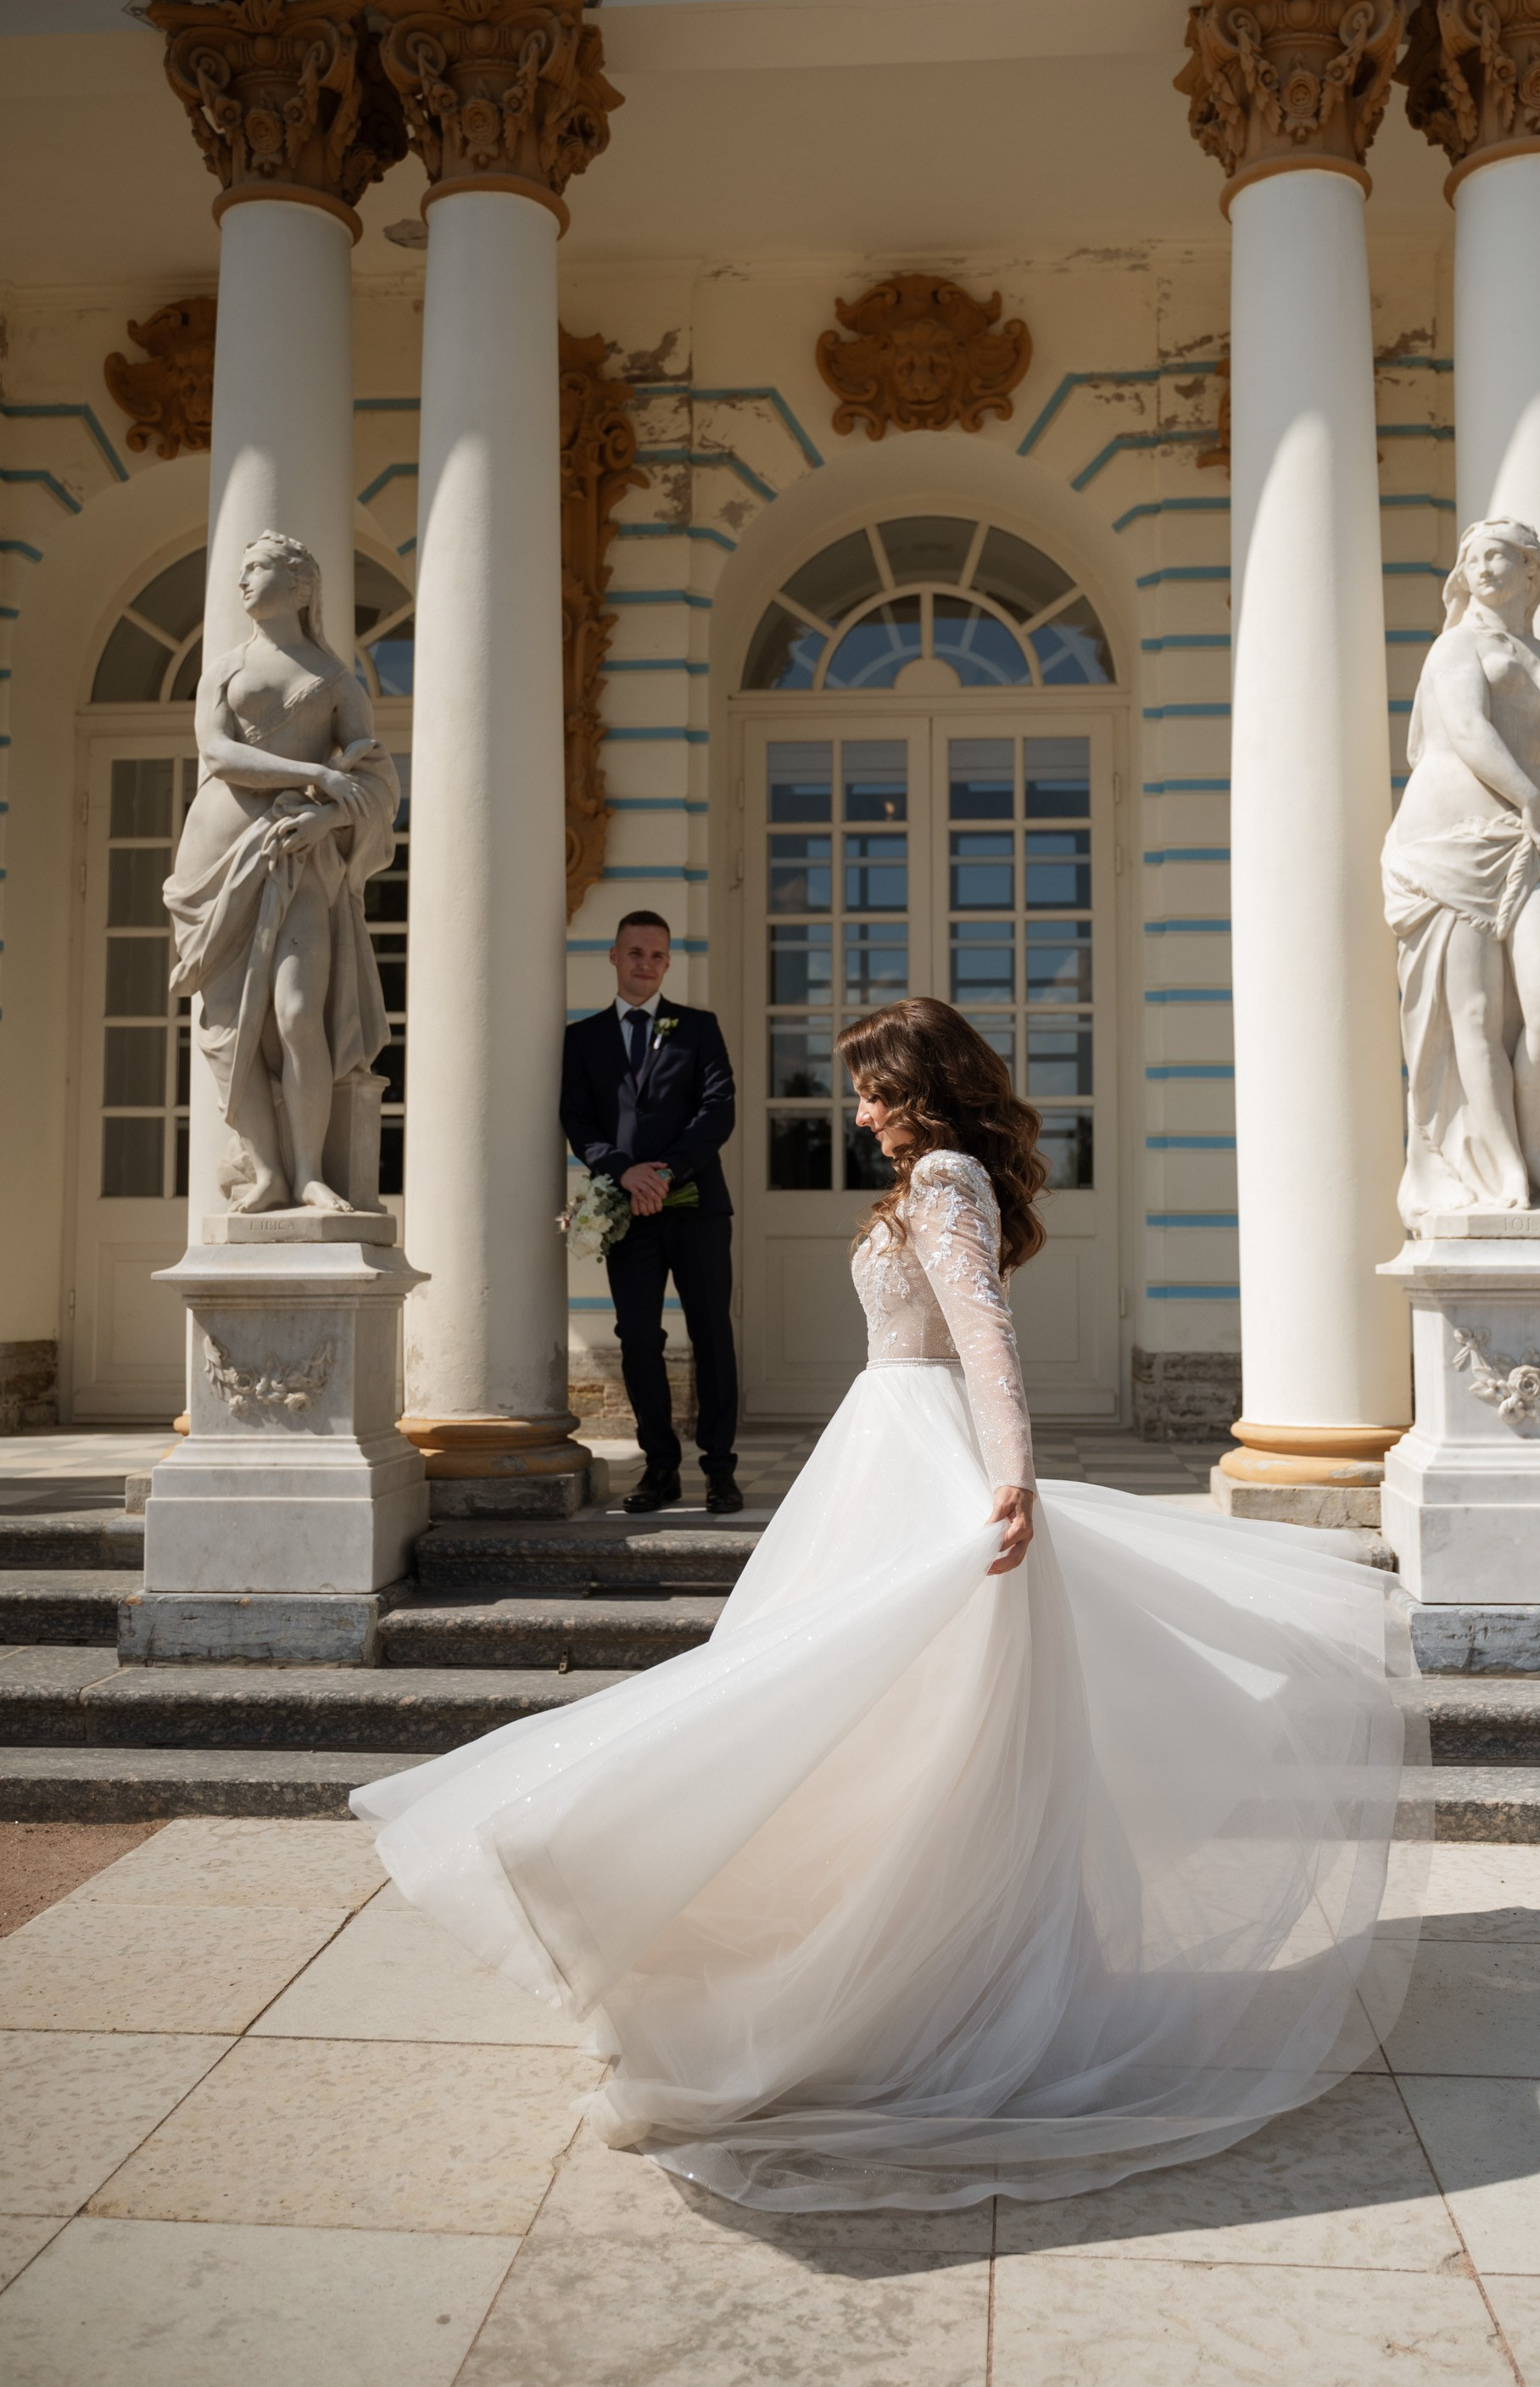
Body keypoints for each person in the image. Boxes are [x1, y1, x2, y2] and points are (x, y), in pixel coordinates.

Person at [354, 998, 1423, 2215]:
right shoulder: (931, 1177)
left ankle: (913, 1998)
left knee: (889, 1727)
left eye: (871, 1090)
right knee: (828, 1716)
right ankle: (830, 1972)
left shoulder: (948, 1177)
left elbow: (986, 1338)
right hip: (882, 1448)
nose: (854, 1112)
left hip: (932, 1460)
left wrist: (1010, 1478)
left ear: (921, 1087)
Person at [1382, 517, 1540, 1222]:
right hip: (1449, 843)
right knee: (1471, 1017)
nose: (1484, 568)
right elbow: (1469, 731)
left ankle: (1531, 1144)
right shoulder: (1456, 647)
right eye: (1473, 558)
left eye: (1499, 556)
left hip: (1528, 840)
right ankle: (1502, 1167)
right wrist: (1529, 802)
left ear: (1532, 570)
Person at [163, 529, 399, 1211]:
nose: (242, 582)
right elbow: (218, 755)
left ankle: (310, 1174)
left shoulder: (335, 682)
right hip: (217, 860)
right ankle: (265, 1171)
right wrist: (315, 774)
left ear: (300, 586)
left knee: (299, 1016)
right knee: (233, 1027)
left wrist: (331, 817)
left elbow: (376, 778)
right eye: (241, 570)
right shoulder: (225, 669)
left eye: (257, 569)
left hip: (301, 860)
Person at [560, 911, 740, 1514]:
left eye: (657, 955)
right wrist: (622, 1170)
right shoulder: (582, 1039)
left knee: (712, 1333)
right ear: (613, 956)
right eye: (635, 952)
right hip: (626, 1211)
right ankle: (660, 1468)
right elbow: (578, 1120)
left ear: (668, 962)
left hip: (697, 1207)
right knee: (639, 1339)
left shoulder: (697, 1028)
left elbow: (718, 1110)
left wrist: (666, 1171)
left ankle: (719, 1469)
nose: (646, 963)